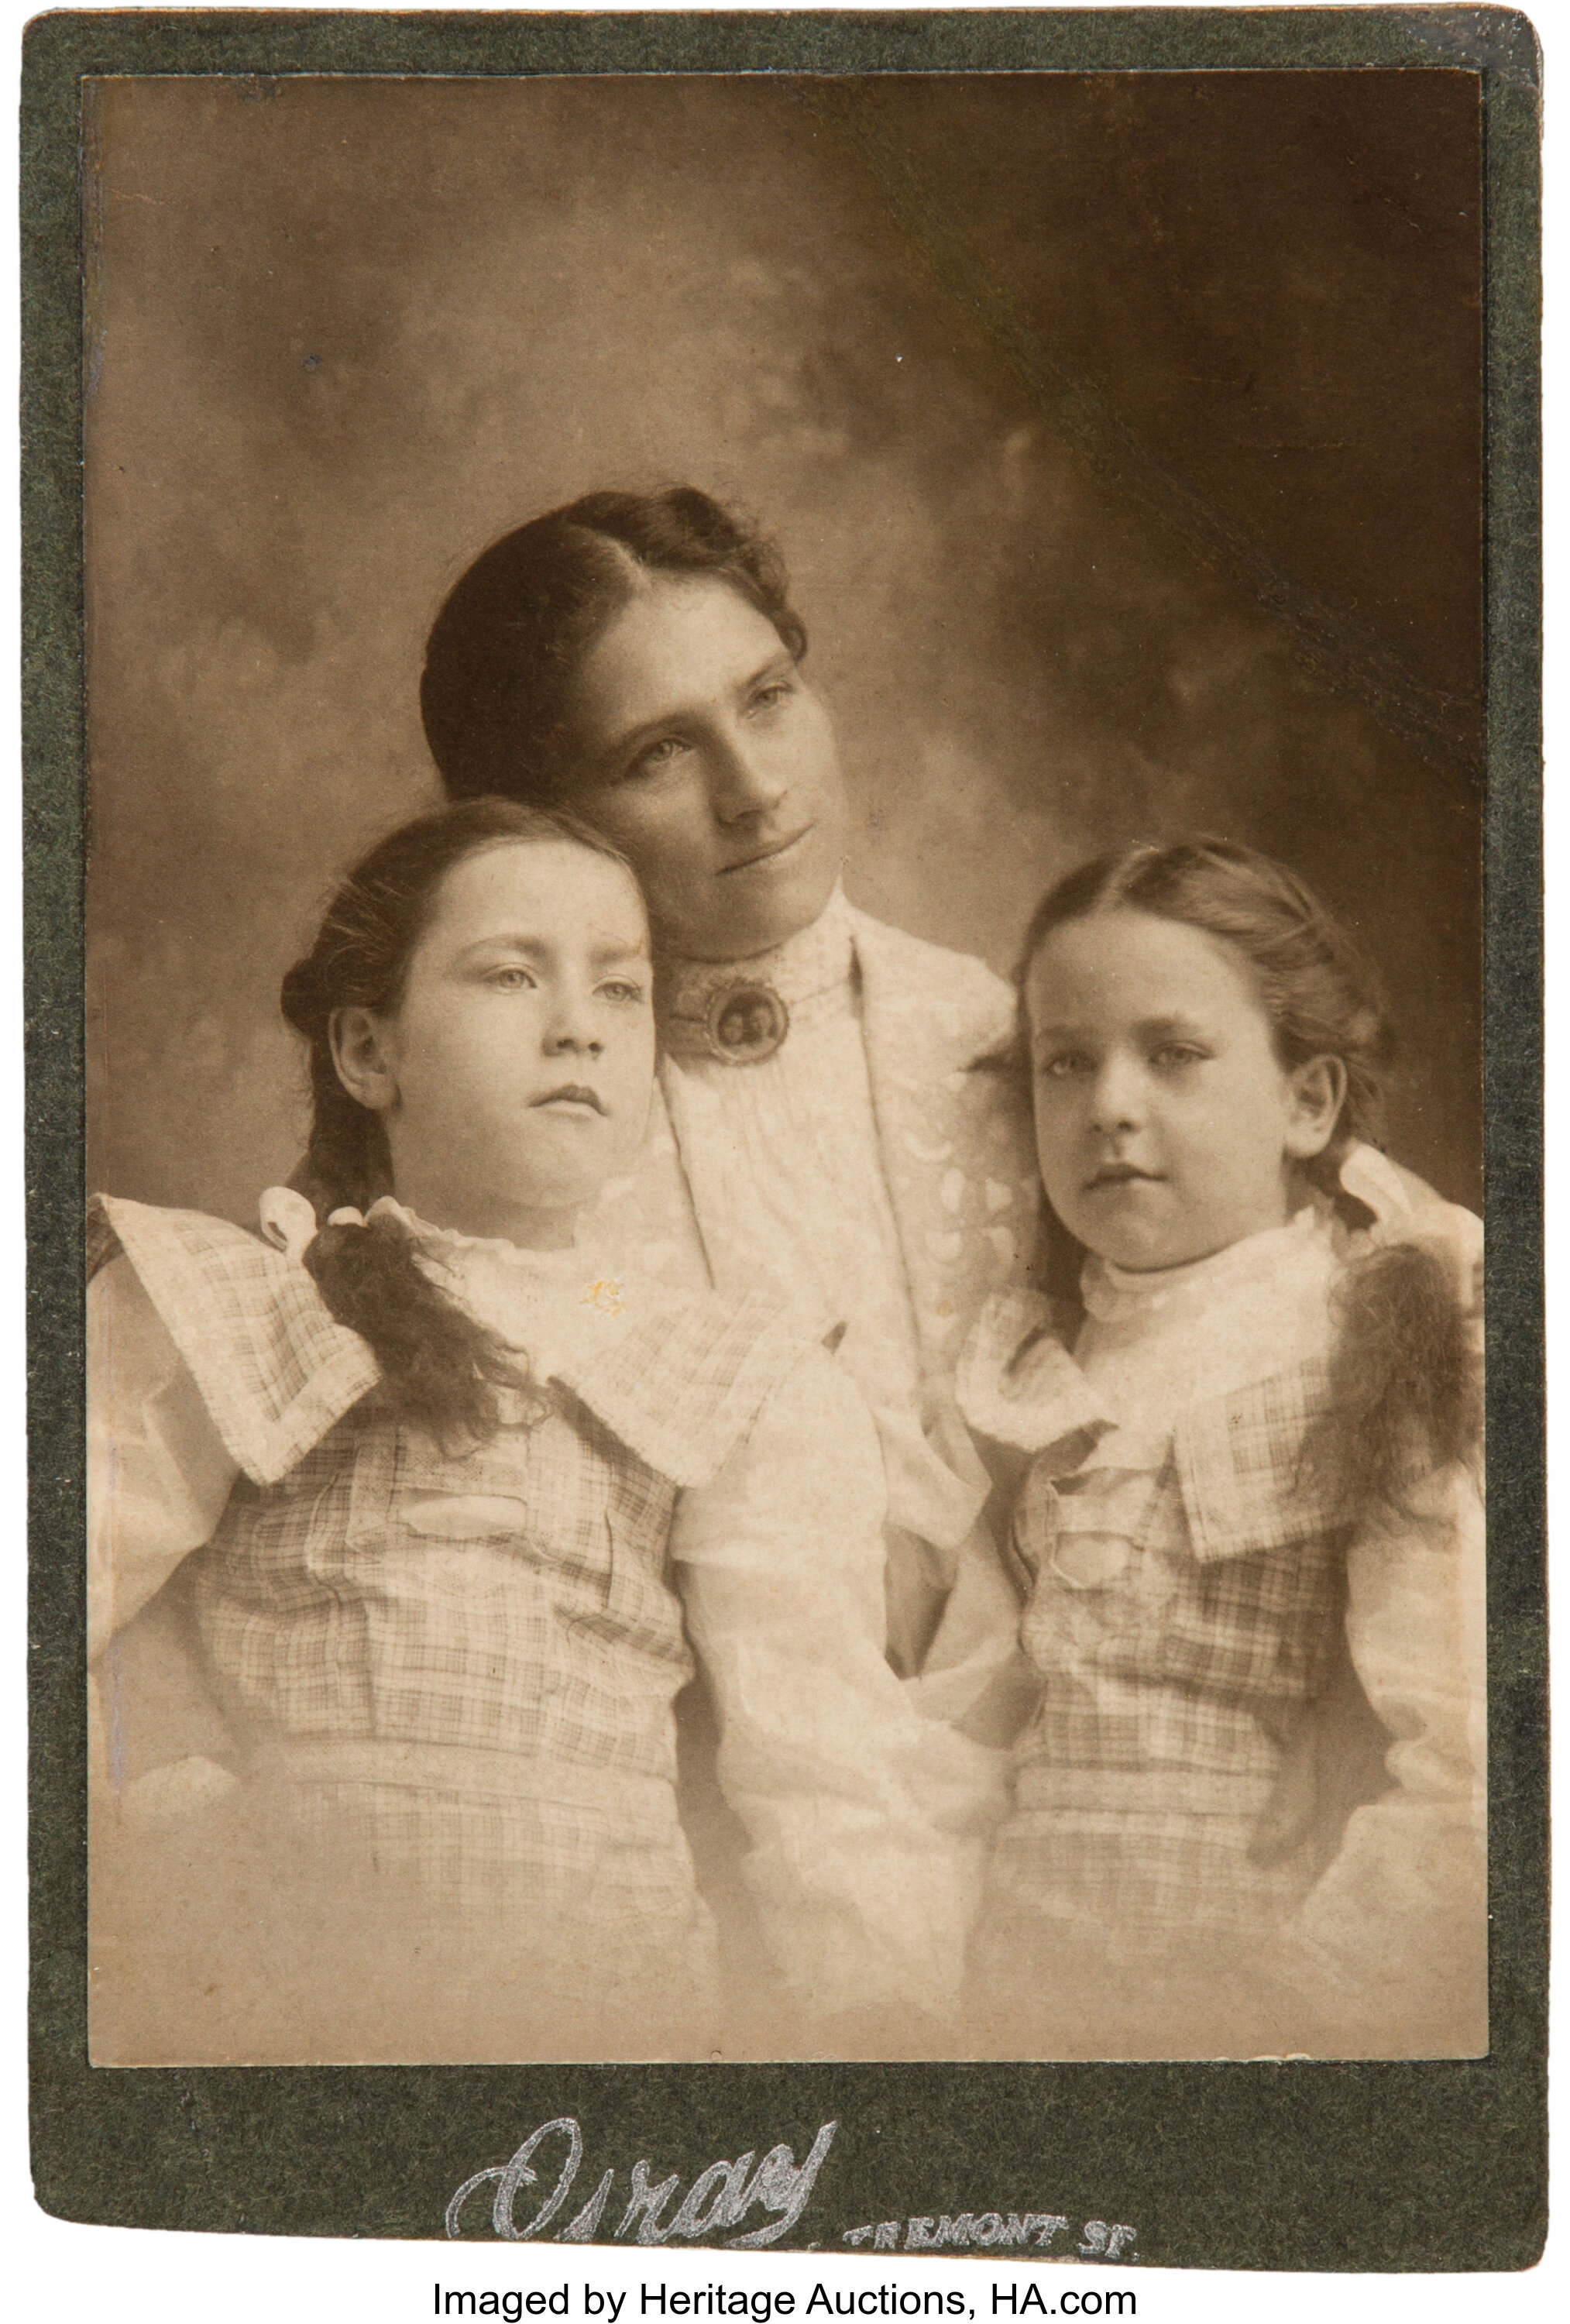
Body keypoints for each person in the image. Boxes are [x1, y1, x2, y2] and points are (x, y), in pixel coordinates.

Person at [88, 800, 992, 2065]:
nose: (579, 1023)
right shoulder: (237, 1302)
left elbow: (827, 1761)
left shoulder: (721, 1368)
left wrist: (880, 2024)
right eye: (513, 973)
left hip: (605, 2037)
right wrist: (176, 1829)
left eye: (621, 990)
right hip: (279, 2014)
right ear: (367, 1049)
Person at [417, 489, 1039, 1708]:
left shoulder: (1010, 1049)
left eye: (768, 698)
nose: (755, 786)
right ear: (544, 821)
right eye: (659, 753)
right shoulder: (490, 1135)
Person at [953, 837, 1486, 2061]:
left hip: (1250, 2010)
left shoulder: (1373, 1346)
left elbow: (1469, 1760)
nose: (1111, 1107)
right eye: (1065, 1063)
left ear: (1308, 1102)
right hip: (1014, 1996)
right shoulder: (1027, 1372)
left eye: (1175, 1055)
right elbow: (969, 1734)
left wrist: (1292, 2014)